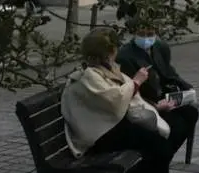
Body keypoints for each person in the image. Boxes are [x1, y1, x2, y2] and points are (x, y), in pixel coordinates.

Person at [61, 28, 184, 173]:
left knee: (162, 140)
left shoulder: (106, 69)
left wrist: (154, 107)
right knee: (158, 146)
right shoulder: (89, 75)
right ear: (108, 53)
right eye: (114, 49)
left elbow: (126, 99)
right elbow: (115, 100)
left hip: (112, 125)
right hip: (101, 135)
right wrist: (136, 82)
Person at [116, 20, 199, 151]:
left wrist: (187, 88)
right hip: (146, 101)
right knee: (173, 126)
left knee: (191, 112)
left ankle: (168, 151)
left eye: (150, 34)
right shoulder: (125, 56)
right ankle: (164, 153)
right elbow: (130, 92)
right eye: (141, 34)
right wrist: (156, 106)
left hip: (164, 95)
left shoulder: (160, 47)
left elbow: (169, 72)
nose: (146, 38)